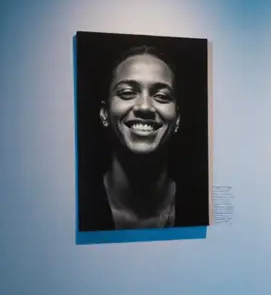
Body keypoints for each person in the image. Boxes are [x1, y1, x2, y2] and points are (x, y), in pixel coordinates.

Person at [80, 46, 205, 230]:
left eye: (161, 96)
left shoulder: (199, 207)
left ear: (177, 119)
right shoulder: (79, 206)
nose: (145, 107)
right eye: (127, 93)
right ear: (104, 113)